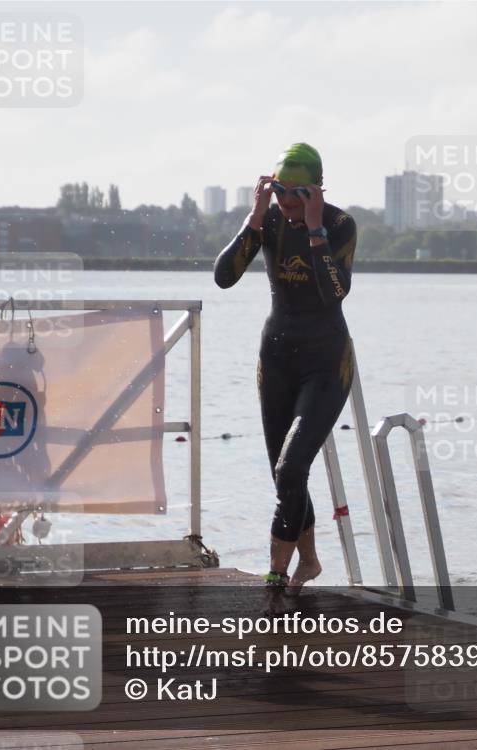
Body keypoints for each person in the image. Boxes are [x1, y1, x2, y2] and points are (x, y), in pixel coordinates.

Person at [214, 143, 356, 605]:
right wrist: (253, 220)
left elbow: (335, 292)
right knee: (286, 477)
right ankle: (310, 561)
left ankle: (276, 574)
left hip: (326, 363)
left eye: (297, 192)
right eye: (279, 191)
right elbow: (223, 277)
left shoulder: (338, 225)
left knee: (292, 465)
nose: (287, 202)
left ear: (316, 190)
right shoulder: (269, 220)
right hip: (275, 361)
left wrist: (314, 231)